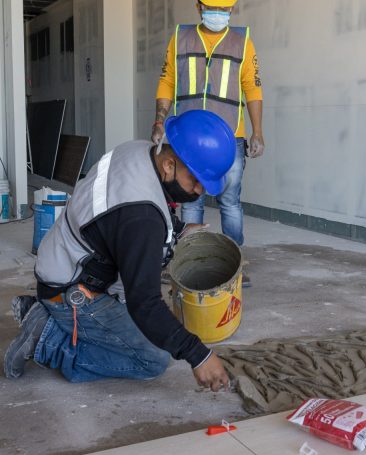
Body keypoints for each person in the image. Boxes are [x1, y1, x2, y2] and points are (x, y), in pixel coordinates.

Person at [4, 110, 233, 392]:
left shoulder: (139, 151)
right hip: (71, 290)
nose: (199, 191)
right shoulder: (141, 218)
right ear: (169, 165)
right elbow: (145, 303)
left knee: (156, 329)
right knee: (153, 357)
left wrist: (176, 229)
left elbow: (129, 211)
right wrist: (199, 355)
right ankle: (47, 340)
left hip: (63, 258)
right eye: (195, 180)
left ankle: (44, 315)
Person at [152, 0, 264, 287]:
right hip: (189, 140)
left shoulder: (242, 42)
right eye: (212, 7)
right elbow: (167, 81)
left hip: (229, 139)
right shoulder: (181, 38)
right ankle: (186, 265)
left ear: (232, 10)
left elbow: (252, 88)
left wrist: (257, 131)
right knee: (191, 201)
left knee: (230, 202)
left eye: (224, 9)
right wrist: (160, 120)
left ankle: (235, 268)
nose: (218, 14)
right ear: (198, 7)